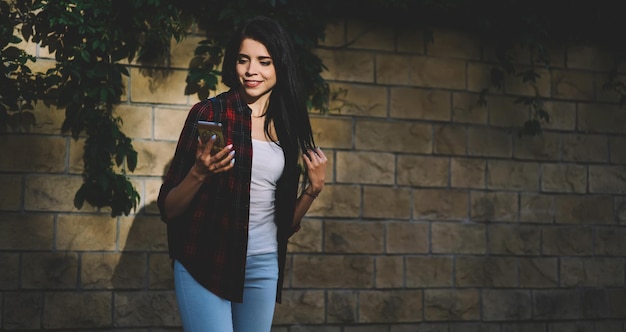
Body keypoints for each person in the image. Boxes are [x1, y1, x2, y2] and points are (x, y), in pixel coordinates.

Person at [157, 15, 327, 332]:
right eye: (243, 60)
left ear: (281, 65)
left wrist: (312, 190)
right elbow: (169, 209)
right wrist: (198, 173)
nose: (251, 71)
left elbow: (283, 226)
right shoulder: (211, 113)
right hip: (205, 260)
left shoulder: (288, 128)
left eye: (264, 61)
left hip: (263, 266)